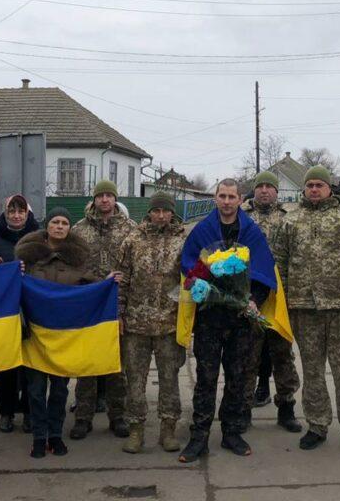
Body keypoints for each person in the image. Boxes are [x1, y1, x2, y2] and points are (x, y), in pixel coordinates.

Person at [178, 178, 278, 462]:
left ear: (239, 200)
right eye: (221, 196)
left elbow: (263, 270)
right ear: (215, 199)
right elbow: (189, 264)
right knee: (206, 379)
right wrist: (206, 286)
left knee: (238, 378)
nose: (226, 201)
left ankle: (232, 432)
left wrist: (252, 301)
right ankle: (199, 437)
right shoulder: (203, 230)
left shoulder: (251, 231)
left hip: (240, 320)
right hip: (210, 318)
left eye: (231, 196)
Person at [276, 165, 340, 454]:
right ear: (304, 189)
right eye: (311, 185)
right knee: (313, 371)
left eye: (320, 184)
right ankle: (317, 425)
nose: (315, 189)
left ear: (330, 188)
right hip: (304, 309)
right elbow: (279, 264)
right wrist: (281, 303)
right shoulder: (291, 221)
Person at [15, 207, 101, 459]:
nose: (60, 226)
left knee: (61, 389)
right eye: (55, 221)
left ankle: (55, 434)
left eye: (65, 222)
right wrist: (10, 270)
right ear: (47, 226)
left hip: (64, 335)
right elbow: (14, 287)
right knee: (36, 389)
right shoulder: (27, 257)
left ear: (69, 228)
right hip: (35, 334)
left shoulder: (79, 258)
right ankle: (39, 437)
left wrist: (108, 283)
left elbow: (93, 285)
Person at [116, 192, 187, 454]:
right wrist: (119, 313)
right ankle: (136, 430)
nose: (160, 215)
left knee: (170, 378)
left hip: (169, 323)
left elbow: (191, 278)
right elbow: (122, 279)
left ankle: (168, 429)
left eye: (165, 211)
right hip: (137, 324)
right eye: (156, 211)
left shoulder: (183, 239)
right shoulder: (133, 239)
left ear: (172, 212)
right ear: (149, 212)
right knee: (135, 380)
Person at [70, 179, 135, 440]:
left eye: (109, 195)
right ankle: (83, 418)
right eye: (100, 196)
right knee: (88, 364)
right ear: (94, 199)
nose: (105, 200)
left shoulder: (130, 229)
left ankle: (117, 417)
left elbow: (135, 266)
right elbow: (72, 265)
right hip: (90, 304)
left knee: (116, 366)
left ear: (115, 198)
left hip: (117, 305)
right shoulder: (79, 230)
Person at [240, 170, 301, 433]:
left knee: (282, 356)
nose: (264, 190)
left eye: (270, 186)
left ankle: (286, 408)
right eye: (260, 186)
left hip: (278, 299)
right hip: (249, 297)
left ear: (277, 191)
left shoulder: (290, 219)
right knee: (246, 356)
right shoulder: (242, 219)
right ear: (254, 190)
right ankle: (242, 410)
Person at [0, 194, 39, 434]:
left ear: (28, 214)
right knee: (5, 365)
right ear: (5, 213)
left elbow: (46, 263)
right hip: (5, 311)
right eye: (12, 211)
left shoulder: (39, 237)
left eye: (21, 212)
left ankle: (29, 412)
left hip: (32, 308)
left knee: (31, 363)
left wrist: (32, 269)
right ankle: (6, 412)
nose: (16, 216)